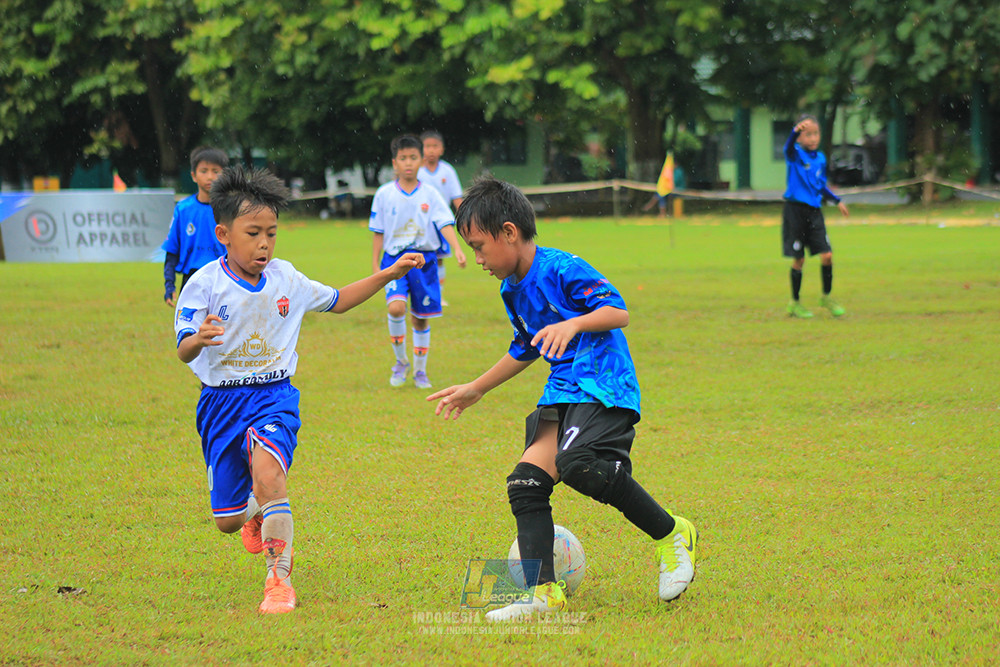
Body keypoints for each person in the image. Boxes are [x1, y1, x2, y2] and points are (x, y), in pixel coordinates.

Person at [427, 177, 698, 622]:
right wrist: (477, 387)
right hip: (564, 390)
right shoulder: (510, 289)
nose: (476, 258)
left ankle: (673, 535)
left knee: (578, 463)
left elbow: (618, 310)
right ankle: (543, 594)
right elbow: (526, 345)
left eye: (479, 246)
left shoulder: (561, 268)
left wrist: (573, 325)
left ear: (510, 232)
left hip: (604, 385)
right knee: (525, 481)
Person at [174, 165, 423, 614]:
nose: (265, 243)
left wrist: (389, 274)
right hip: (220, 404)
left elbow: (339, 300)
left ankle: (278, 581)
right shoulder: (204, 285)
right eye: (253, 233)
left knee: (270, 474)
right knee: (226, 522)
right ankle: (255, 511)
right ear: (224, 234)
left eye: (271, 233)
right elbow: (183, 350)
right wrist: (198, 338)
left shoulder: (287, 278)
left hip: (274, 397)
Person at [370, 134, 466, 389]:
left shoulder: (431, 194)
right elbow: (378, 232)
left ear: (421, 161)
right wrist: (375, 264)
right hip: (395, 260)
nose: (408, 163)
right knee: (396, 308)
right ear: (394, 163)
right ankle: (400, 362)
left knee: (420, 319)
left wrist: (457, 248)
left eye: (413, 158)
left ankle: (420, 372)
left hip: (425, 260)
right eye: (403, 158)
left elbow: (445, 222)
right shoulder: (384, 194)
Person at [782, 115, 849, 318]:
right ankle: (795, 302)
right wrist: (794, 132)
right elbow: (787, 148)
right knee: (799, 259)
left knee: (827, 255)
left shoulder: (820, 158)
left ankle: (826, 297)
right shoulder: (795, 154)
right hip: (795, 211)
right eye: (808, 134)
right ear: (800, 138)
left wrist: (837, 201)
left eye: (816, 133)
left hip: (814, 212)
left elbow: (820, 185)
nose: (813, 138)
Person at [162, 146, 230, 307]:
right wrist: (169, 284)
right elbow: (172, 250)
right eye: (204, 171)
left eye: (216, 171)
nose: (210, 177)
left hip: (225, 277)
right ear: (193, 175)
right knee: (191, 330)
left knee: (225, 328)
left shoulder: (231, 209)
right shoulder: (183, 209)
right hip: (191, 278)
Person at [418, 130, 464, 306]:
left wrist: (465, 218)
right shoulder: (417, 171)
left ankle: (438, 294)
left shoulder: (447, 171)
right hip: (419, 222)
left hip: (441, 223)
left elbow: (456, 197)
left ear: (442, 149)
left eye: (434, 146)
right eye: (427, 146)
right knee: (417, 257)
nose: (430, 150)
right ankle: (418, 292)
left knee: (439, 258)